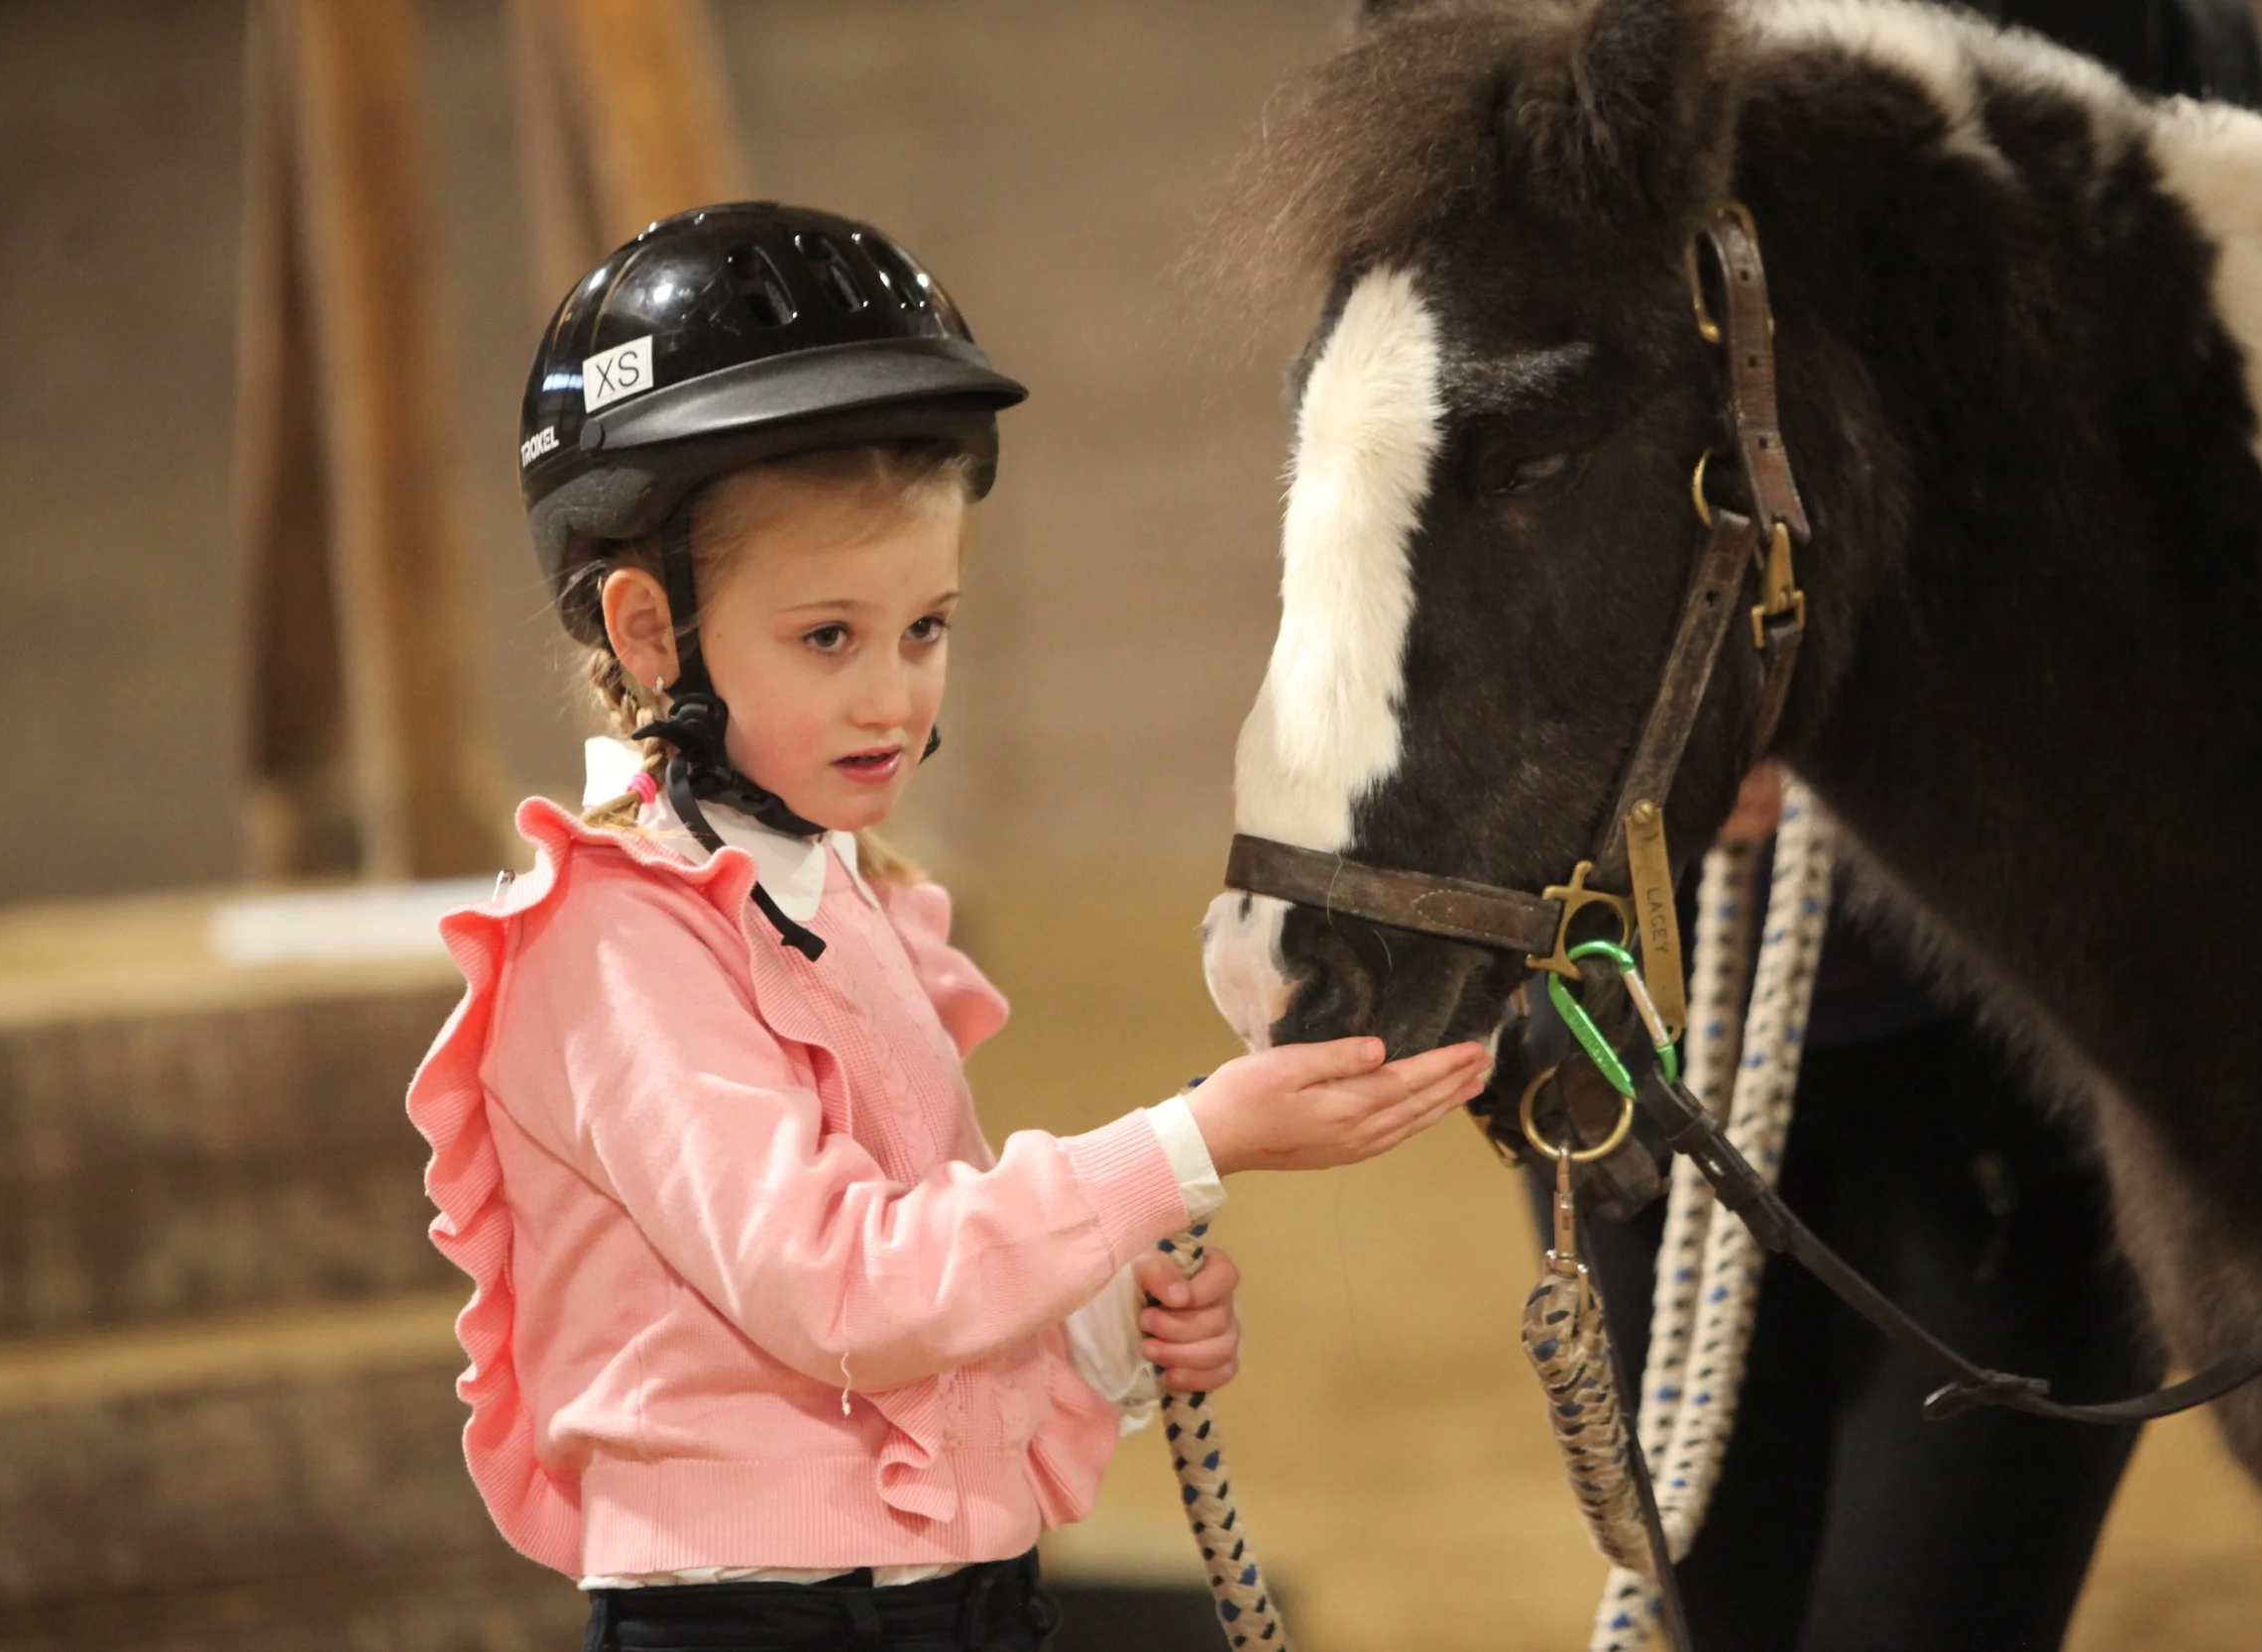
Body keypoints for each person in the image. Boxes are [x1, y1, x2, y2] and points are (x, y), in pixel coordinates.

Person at [406, 203, 1492, 1652]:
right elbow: (841, 1286)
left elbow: (918, 1323)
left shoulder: (842, 896)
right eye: (829, 636)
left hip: (947, 1605)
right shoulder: (616, 945)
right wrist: (1186, 1141)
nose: (893, 696)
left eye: (927, 629)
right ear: (652, 634)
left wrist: (1110, 1319)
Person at [1519, 8, 2262, 1647]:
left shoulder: (2124, 34)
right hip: (1650, 1050)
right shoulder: (1543, 57)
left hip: (2010, 1049)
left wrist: (1840, 693)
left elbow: (2236, 472)